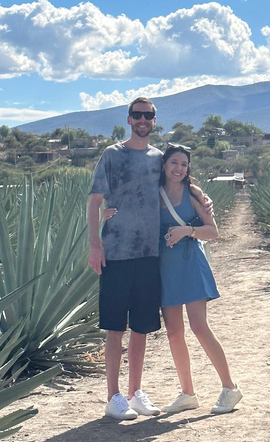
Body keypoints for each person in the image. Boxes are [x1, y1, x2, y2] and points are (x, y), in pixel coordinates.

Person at [88, 98, 209, 421]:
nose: (143, 120)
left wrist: (201, 197)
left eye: (148, 116)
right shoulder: (112, 155)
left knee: (141, 328)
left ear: (154, 121)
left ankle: (134, 392)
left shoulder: (158, 159)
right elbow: (95, 200)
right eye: (137, 115)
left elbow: (179, 179)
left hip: (149, 255)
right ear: (129, 119)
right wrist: (95, 244)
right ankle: (112, 397)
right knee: (115, 328)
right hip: (116, 253)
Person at [156, 144, 242, 414]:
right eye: (174, 162)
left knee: (199, 326)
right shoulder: (153, 193)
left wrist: (187, 230)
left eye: (184, 164)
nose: (179, 168)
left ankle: (230, 388)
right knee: (173, 332)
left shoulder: (194, 193)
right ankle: (187, 393)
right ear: (163, 165)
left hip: (191, 264)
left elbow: (213, 232)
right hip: (165, 267)